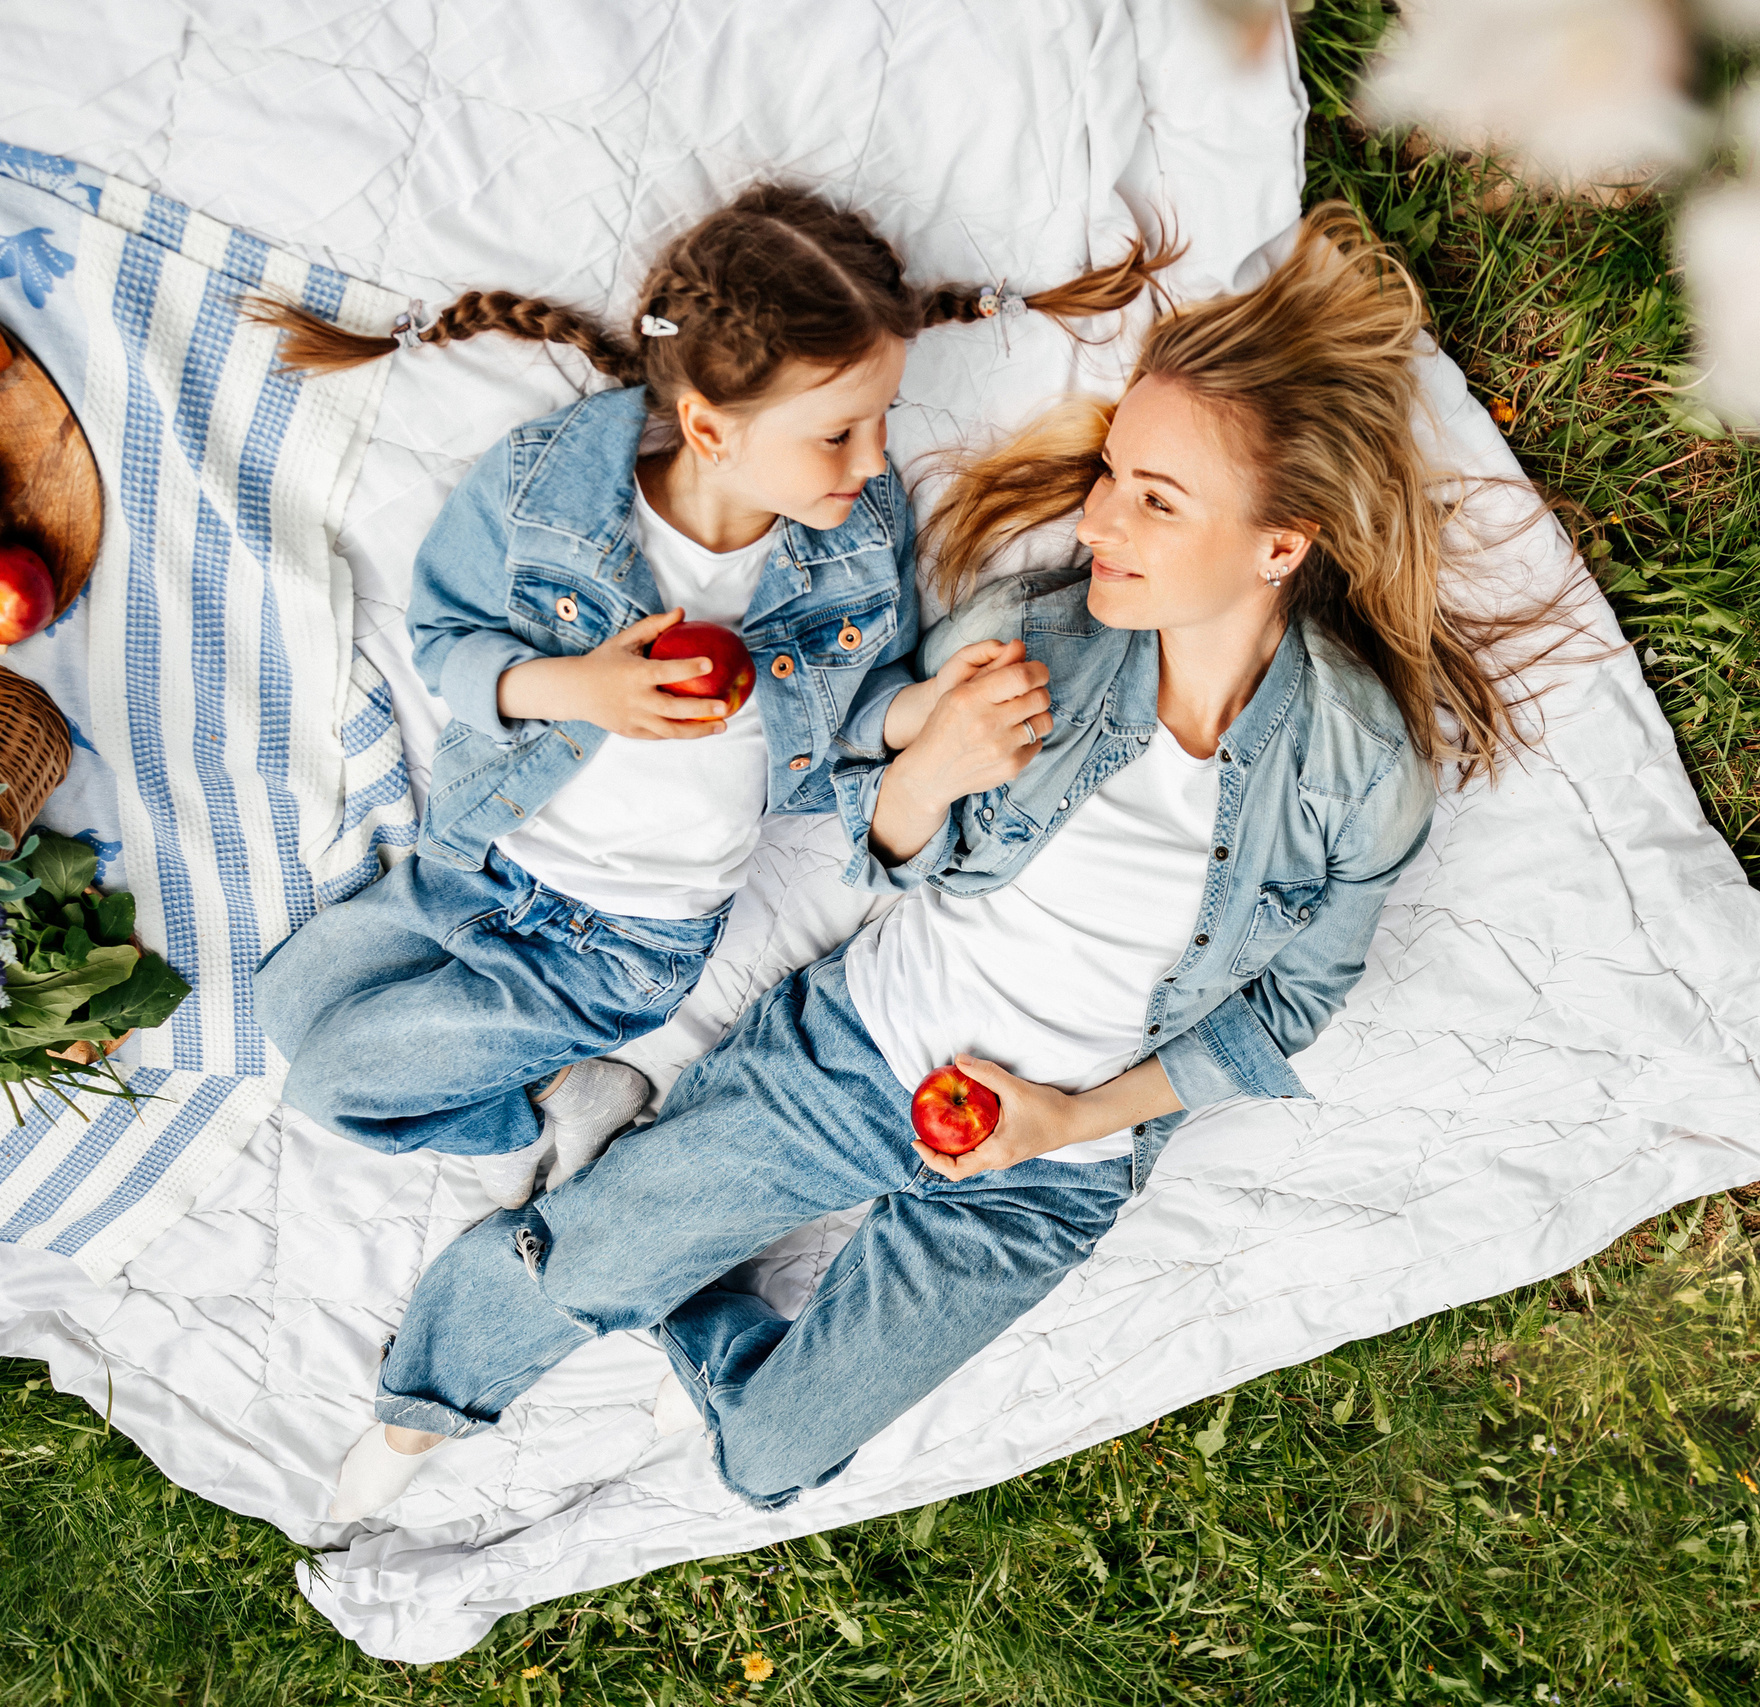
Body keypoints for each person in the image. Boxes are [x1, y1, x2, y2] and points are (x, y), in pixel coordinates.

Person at [326, 203, 1559, 1520]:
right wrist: (927, 769)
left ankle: (680, 1268)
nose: (1098, 521)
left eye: (1154, 497)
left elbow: (1290, 1004)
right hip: (856, 1057)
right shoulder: (1035, 638)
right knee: (573, 1264)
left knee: (772, 1460)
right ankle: (416, 1417)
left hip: (1045, 1176)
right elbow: (860, 817)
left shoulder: (1356, 764)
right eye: (1108, 476)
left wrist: (1072, 1120)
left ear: (1279, 545)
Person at [250, 184, 1170, 1210]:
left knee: (334, 1084)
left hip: (620, 944)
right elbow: (444, 639)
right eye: (838, 433)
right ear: (707, 426)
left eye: (882, 423)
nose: (874, 462)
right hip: (479, 860)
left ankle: (548, 1093)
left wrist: (932, 711)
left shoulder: (855, 545)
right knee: (284, 1005)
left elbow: (849, 726)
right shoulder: (546, 484)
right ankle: (561, 1089)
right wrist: (578, 687)